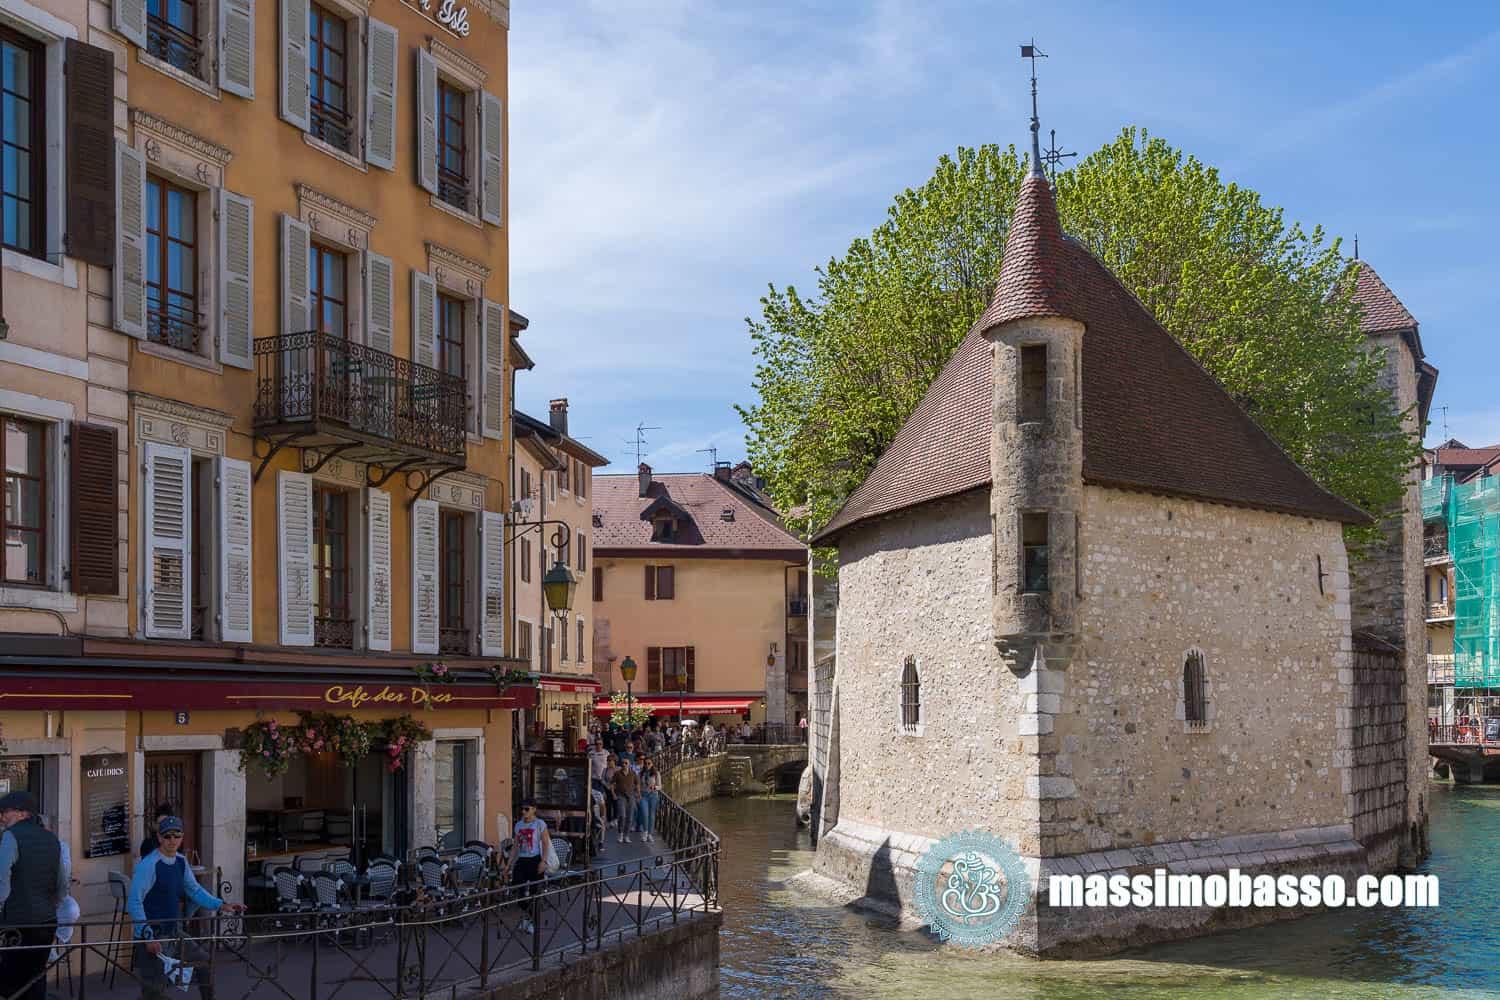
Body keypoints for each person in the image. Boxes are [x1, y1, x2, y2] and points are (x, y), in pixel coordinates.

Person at [128, 816, 243, 1000]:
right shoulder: (149, 865)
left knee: (204, 962)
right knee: (153, 992)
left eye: (176, 835)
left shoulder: (181, 862)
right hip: (153, 935)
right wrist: (147, 936)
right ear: (159, 837)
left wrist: (222, 905)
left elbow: (195, 890)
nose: (172, 840)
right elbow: (134, 902)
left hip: (174, 932)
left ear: (182, 837)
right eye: (167, 836)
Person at [0, 791, 68, 1000]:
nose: (1, 817)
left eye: (5, 812)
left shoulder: (11, 836)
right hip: (46, 921)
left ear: (22, 813)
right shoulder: (52, 839)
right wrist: (49, 907)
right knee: (36, 979)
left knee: (11, 982)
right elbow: (61, 886)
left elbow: (1, 880)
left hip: (17, 922)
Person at [508, 799, 551, 935]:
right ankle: (528, 916)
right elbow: (515, 846)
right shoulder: (519, 825)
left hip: (535, 860)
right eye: (522, 809)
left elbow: (545, 843)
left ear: (534, 809)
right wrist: (508, 864)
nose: (523, 812)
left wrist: (543, 861)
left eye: (527, 809)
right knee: (518, 891)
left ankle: (532, 921)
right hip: (522, 860)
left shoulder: (540, 824)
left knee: (534, 892)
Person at [611, 755, 639, 844]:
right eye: (622, 763)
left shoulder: (633, 773)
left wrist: (638, 793)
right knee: (622, 816)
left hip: (631, 796)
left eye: (626, 763)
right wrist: (613, 794)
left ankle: (626, 836)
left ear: (629, 764)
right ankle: (620, 834)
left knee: (630, 818)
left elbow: (637, 784)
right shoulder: (617, 773)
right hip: (620, 796)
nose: (624, 765)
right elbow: (612, 784)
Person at [638, 758, 661, 844]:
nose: (647, 765)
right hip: (644, 795)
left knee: (651, 815)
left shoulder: (656, 773)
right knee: (645, 814)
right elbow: (639, 785)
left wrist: (654, 787)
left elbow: (660, 786)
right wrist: (638, 794)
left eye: (649, 763)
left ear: (652, 764)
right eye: (646, 763)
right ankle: (645, 832)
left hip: (653, 795)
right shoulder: (641, 773)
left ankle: (650, 834)